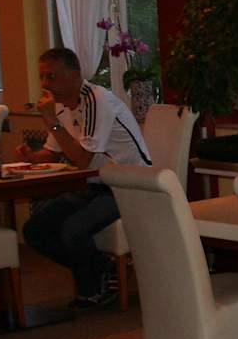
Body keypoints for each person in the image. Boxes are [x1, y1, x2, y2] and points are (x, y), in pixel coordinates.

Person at [22, 46, 151, 310]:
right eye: (42, 77)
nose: (45, 84)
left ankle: (92, 289)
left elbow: (82, 159)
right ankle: (100, 266)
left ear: (74, 74)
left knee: (73, 230)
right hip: (94, 185)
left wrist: (52, 122)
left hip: (129, 185)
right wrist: (31, 157)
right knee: (35, 230)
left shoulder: (97, 100)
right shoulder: (60, 107)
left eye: (51, 76)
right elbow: (52, 152)